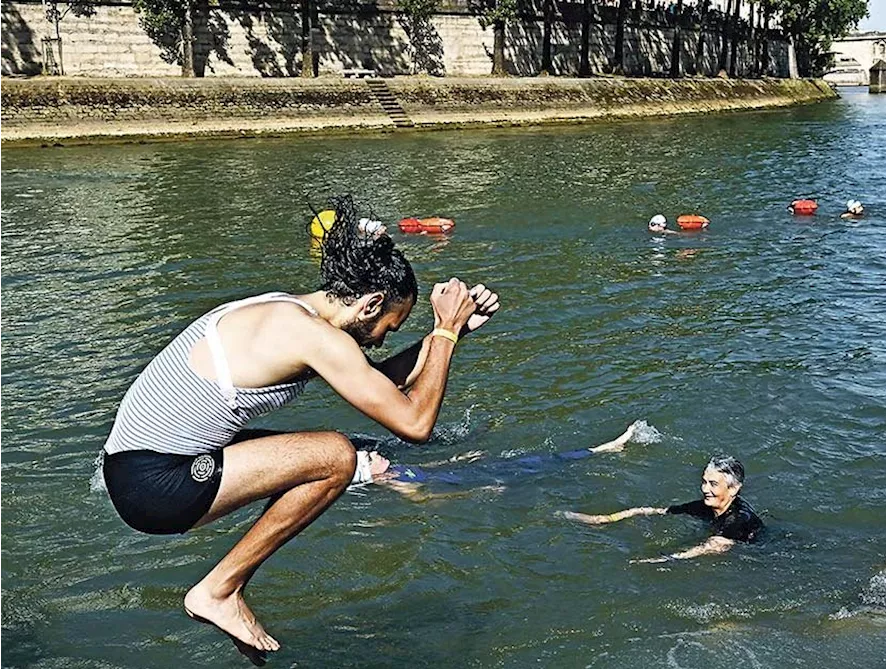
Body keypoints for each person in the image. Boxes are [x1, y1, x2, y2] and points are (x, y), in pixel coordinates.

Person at [99, 195, 500, 660]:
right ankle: (218, 590)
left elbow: (380, 386)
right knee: (335, 457)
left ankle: (221, 591)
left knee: (347, 450)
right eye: (390, 327)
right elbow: (414, 422)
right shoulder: (312, 336)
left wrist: (450, 334)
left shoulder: (292, 314)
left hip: (136, 469)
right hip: (154, 484)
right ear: (370, 304)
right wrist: (444, 333)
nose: (386, 339)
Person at [353, 422, 645, 500]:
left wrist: (459, 457)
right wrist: (477, 492)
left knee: (534, 461)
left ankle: (601, 450)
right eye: (370, 458)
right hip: (475, 481)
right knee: (538, 466)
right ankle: (604, 450)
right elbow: (430, 499)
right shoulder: (395, 483)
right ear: (370, 473)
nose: (376, 453)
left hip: (470, 471)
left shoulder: (396, 469)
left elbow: (427, 470)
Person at [559, 455, 763, 563]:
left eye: (713, 484)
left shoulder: (739, 518)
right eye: (704, 482)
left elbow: (716, 546)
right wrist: (605, 519)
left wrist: (667, 558)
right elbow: (658, 511)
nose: (705, 489)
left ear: (734, 488)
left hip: (759, 556)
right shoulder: (704, 507)